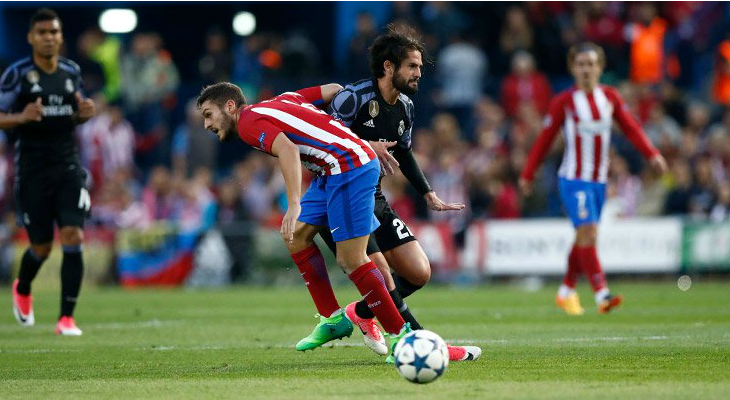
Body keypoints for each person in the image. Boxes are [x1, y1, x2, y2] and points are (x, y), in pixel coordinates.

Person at [197, 82, 415, 356]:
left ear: (230, 106)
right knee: (296, 236)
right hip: (333, 169)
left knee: (351, 259)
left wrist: (293, 204)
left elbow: (287, 150)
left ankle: (401, 336)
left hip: (349, 167)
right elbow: (334, 89)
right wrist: (336, 131)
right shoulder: (282, 99)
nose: (206, 124)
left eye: (208, 115)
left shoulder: (247, 123)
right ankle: (332, 319)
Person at [322, 25, 481, 363]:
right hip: (341, 199)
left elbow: (404, 151)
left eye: (420, 67)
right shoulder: (353, 98)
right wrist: (366, 146)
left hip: (374, 196)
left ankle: (362, 312)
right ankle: (424, 345)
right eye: (412, 66)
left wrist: (428, 193)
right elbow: (322, 142)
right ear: (389, 67)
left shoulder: (406, 107)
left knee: (418, 272)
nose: (418, 73)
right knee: (379, 275)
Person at [519, 42, 667, 315]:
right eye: (580, 64)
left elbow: (632, 128)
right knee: (588, 232)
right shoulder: (564, 101)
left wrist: (653, 154)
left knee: (584, 236)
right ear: (573, 68)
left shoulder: (609, 97)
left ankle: (565, 291)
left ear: (600, 67)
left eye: (591, 64)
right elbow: (544, 140)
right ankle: (602, 294)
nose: (586, 69)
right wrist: (528, 174)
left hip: (598, 181)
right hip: (573, 179)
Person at [0, 8, 95, 335]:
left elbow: (76, 109)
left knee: (73, 235)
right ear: (30, 37)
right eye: (42, 33)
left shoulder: (71, 71)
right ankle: (23, 287)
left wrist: (85, 112)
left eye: (54, 32)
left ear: (61, 36)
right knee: (40, 247)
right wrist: (21, 117)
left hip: (68, 165)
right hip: (32, 171)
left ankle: (66, 318)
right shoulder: (17, 75)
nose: (49, 38)